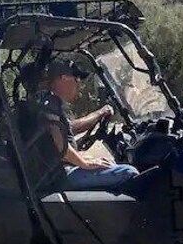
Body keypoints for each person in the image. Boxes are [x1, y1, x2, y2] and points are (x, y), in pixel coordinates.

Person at [36, 60, 139, 190]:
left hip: (56, 172)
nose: (79, 84)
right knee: (129, 172)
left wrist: (99, 114)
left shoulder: (47, 103)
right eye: (76, 79)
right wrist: (84, 163)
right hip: (61, 174)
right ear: (64, 78)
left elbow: (69, 129)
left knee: (108, 163)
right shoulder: (49, 106)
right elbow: (62, 148)